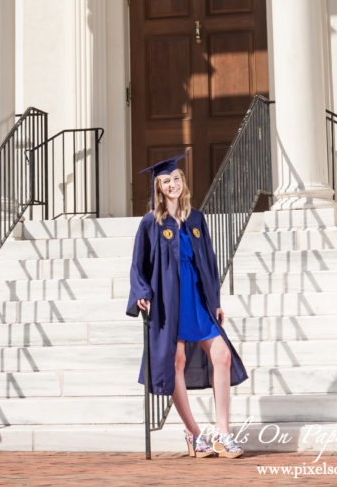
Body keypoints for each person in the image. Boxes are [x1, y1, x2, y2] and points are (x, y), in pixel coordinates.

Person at [126, 156, 247, 458]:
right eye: (167, 181)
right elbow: (138, 264)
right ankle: (194, 433)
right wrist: (141, 292)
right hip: (169, 301)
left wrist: (215, 300)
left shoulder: (196, 219)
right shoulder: (150, 224)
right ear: (159, 187)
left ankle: (222, 432)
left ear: (183, 183)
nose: (173, 184)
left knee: (221, 355)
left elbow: (208, 259)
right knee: (176, 359)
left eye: (176, 179)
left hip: (197, 297)